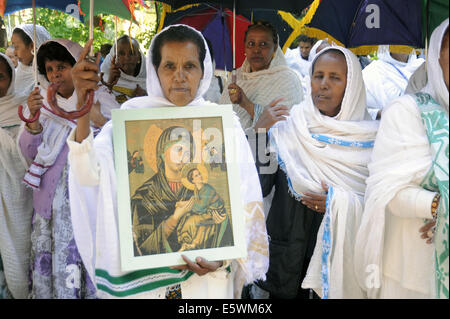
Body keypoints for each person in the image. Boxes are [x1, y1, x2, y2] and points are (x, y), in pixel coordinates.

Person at [66, 24, 269, 299]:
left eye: (190, 66)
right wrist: (82, 104)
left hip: (206, 282)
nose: (179, 76)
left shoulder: (225, 127)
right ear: (154, 70)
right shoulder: (127, 126)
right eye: (169, 66)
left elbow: (244, 202)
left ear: (204, 70)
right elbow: (88, 174)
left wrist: (222, 258)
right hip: (147, 285)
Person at [249, 46, 378, 299]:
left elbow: (380, 205)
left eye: (335, 77)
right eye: (318, 76)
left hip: (339, 264)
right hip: (287, 261)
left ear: (351, 86)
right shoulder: (289, 127)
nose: (324, 84)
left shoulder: (372, 140)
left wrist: (337, 202)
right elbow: (259, 186)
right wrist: (259, 134)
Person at [354, 18, 449, 299]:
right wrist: (439, 208)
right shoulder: (406, 112)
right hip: (411, 272)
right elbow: (388, 191)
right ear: (436, 55)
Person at [18, 39, 118, 299]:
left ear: (79, 68)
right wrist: (32, 122)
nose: (55, 75)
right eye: (49, 69)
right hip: (49, 215)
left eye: (61, 66)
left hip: (85, 211)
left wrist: (97, 120)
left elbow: (114, 155)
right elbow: (29, 155)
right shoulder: (43, 105)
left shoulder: (102, 103)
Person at [219, 21, 303, 134]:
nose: (256, 50)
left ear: (275, 47)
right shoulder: (236, 77)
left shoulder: (288, 80)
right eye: (251, 44)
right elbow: (221, 121)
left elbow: (284, 128)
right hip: (234, 147)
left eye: (263, 44)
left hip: (268, 150)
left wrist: (246, 103)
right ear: (244, 47)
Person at [0, 53, 33, 299]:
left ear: (11, 78)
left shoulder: (24, 107)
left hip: (20, 199)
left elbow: (29, 154)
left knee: (21, 255)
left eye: (0, 77)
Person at [176, 167, 230, 252]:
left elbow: (200, 208)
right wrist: (181, 204)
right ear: (193, 180)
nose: (200, 176)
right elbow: (193, 201)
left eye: (199, 174)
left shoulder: (207, 189)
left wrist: (187, 207)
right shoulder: (197, 190)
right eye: (196, 175)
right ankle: (186, 242)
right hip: (207, 211)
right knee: (186, 217)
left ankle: (190, 242)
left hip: (216, 212)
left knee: (192, 220)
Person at [362, 45, 425, 120]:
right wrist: (379, 113)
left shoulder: (422, 67)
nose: (403, 43)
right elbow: (360, 112)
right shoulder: (371, 72)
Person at [100, 35, 147, 104]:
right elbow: (99, 106)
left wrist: (145, 98)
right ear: (114, 57)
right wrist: (109, 84)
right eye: (121, 53)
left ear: (139, 56)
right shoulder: (103, 79)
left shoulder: (152, 80)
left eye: (132, 53)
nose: (127, 57)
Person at [11, 25, 51, 98]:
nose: (14, 53)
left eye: (16, 47)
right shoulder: (15, 74)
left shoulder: (51, 76)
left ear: (32, 46)